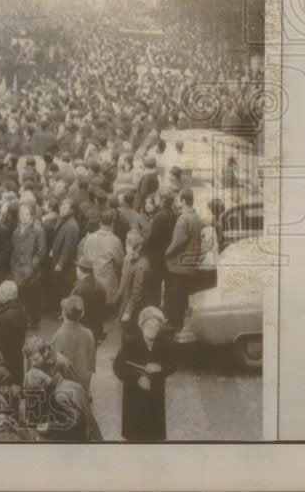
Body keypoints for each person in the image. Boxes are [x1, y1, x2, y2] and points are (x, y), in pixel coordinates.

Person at [112, 306, 176, 441]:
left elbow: (173, 364)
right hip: (134, 398)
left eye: (156, 326)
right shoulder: (131, 344)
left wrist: (161, 368)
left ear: (160, 328)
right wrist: (137, 378)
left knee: (154, 436)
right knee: (135, 436)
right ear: (142, 325)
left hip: (155, 397)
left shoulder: (165, 344)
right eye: (149, 325)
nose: (153, 329)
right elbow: (118, 366)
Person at [164, 188, 203, 332]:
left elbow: (177, 241)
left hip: (179, 265)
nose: (176, 202)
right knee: (184, 296)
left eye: (178, 200)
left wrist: (166, 253)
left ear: (184, 201)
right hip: (190, 262)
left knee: (176, 296)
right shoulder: (196, 217)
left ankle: (175, 325)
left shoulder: (183, 219)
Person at [0, 280, 28, 383]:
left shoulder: (8, 316)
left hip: (5, 361)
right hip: (13, 359)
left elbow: (3, 342)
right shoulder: (18, 309)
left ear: (5, 295)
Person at [50, 296, 96, 393]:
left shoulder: (58, 336)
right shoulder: (88, 334)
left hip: (65, 388)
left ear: (64, 312)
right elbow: (91, 365)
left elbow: (54, 367)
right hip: (82, 385)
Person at [118, 231, 152, 339]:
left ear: (139, 248)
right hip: (126, 299)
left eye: (130, 245)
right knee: (123, 326)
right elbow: (124, 279)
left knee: (131, 331)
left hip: (136, 303)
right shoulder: (128, 259)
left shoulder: (142, 265)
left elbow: (137, 291)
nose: (128, 248)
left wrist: (128, 311)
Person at [71, 257, 107, 342]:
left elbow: (72, 312)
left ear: (80, 271)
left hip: (81, 331)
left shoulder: (78, 289)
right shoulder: (101, 287)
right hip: (96, 330)